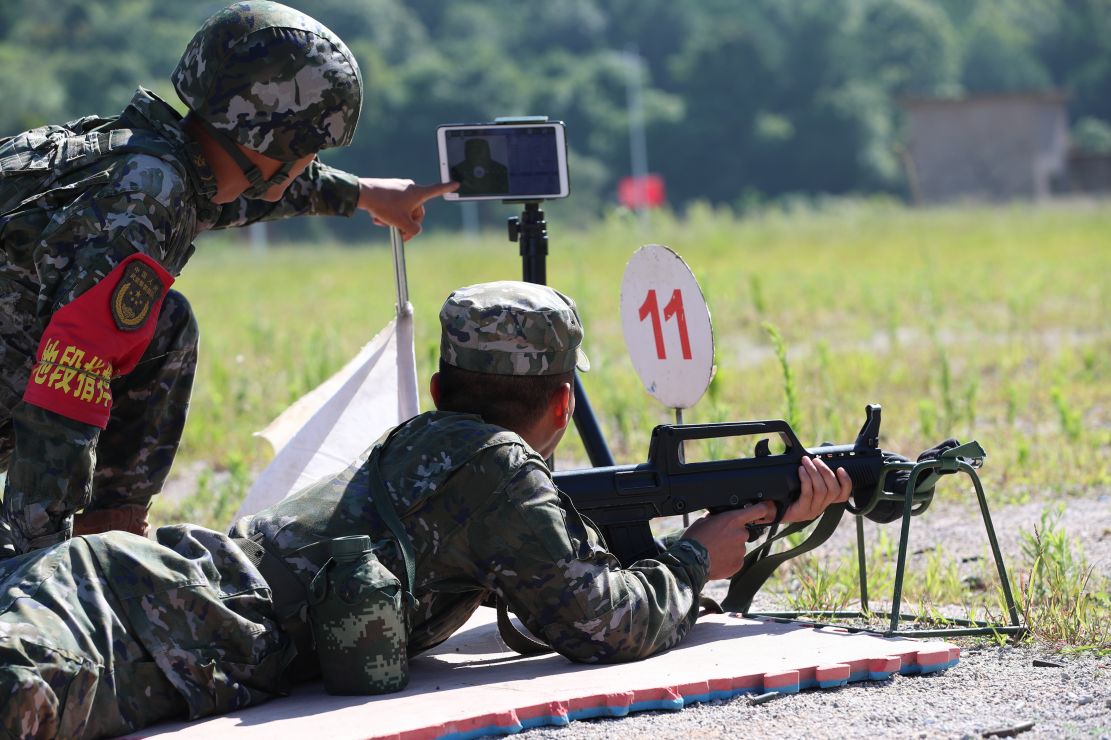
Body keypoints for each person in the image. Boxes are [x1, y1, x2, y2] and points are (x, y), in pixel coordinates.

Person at [0, 280, 852, 737]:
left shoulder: (424, 441)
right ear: (563, 405)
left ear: (441, 388)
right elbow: (607, 626)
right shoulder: (497, 470)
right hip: (174, 624)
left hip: (145, 584)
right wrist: (698, 556)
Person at [0, 1, 458, 557]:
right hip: (33, 402)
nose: (310, 159)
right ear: (277, 144)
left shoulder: (131, 158)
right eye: (309, 147)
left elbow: (235, 196)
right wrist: (39, 567)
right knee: (148, 336)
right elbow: (66, 392)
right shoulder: (145, 203)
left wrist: (363, 194)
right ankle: (90, 558)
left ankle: (107, 541)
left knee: (165, 324)